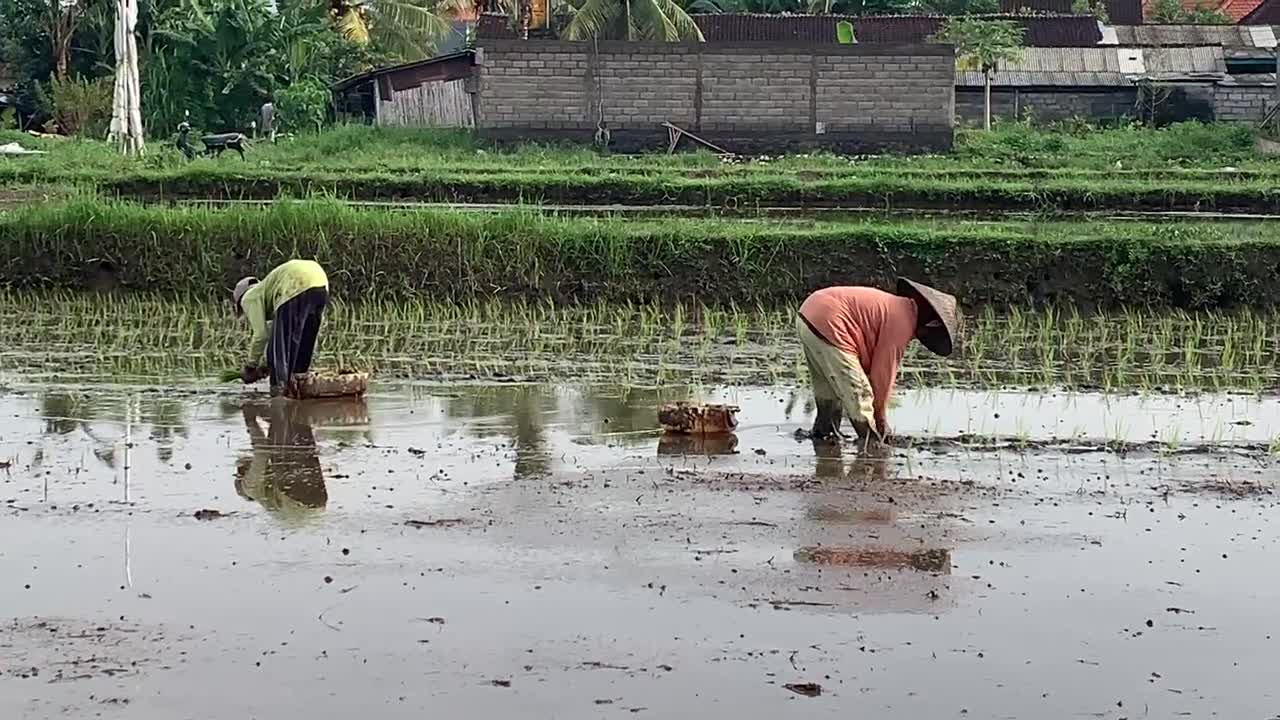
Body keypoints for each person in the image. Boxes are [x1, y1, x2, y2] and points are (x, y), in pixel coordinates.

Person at [796, 277, 959, 443]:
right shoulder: (903, 321)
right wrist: (880, 420)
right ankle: (871, 443)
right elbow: (882, 376)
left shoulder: (896, 306)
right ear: (931, 324)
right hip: (830, 319)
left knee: (827, 387)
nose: (920, 338)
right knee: (860, 393)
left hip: (809, 312)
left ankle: (824, 433)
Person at [233, 259, 329, 397]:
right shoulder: (269, 289)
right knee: (301, 351)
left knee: (276, 352)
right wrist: (266, 367)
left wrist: (250, 367)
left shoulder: (249, 297)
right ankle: (300, 387)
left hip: (295, 283)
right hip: (320, 282)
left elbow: (261, 335)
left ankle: (279, 395)